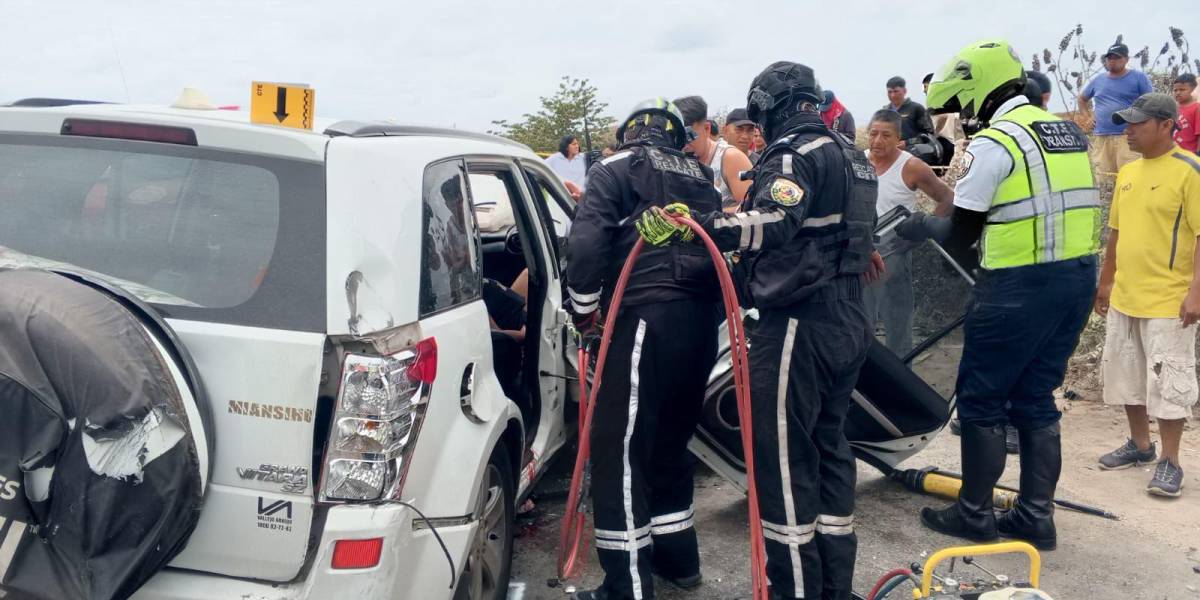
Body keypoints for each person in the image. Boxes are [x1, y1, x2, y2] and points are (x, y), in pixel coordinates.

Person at [641, 61, 882, 599]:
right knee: (830, 451)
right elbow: (850, 236)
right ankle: (831, 588)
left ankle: (795, 590)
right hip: (848, 319)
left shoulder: (796, 152)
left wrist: (699, 227)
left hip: (800, 323)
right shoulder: (852, 154)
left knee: (783, 461)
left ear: (770, 106)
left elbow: (776, 221)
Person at [900, 39, 1101, 552]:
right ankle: (1036, 517)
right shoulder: (1063, 132)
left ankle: (973, 513)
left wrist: (918, 225)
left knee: (983, 401)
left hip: (1017, 287)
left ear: (979, 92)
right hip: (1076, 279)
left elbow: (960, 233)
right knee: (1036, 399)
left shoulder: (997, 142)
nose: (963, 117)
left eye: (964, 105)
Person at [566, 98, 724, 600]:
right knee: (670, 445)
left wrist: (584, 309)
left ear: (631, 131)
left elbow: (586, 242)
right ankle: (679, 562)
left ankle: (627, 586)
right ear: (677, 135)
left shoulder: (614, 165)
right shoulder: (701, 177)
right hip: (698, 325)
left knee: (622, 452)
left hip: (641, 319)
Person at [1095, 93, 1199, 498]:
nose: (1128, 131)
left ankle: (1170, 462)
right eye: (1127, 123)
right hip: (1126, 294)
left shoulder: (1191, 171)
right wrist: (1106, 282)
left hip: (1169, 300)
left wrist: (1195, 293)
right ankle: (1140, 445)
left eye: (1137, 124)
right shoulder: (1128, 172)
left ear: (1165, 124)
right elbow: (1116, 233)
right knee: (1127, 376)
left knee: (1169, 383)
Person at [863, 109, 954, 357]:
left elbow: (947, 197)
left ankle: (901, 380)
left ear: (898, 138)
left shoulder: (911, 166)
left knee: (898, 326)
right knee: (862, 325)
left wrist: (924, 228)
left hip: (895, 251)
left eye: (886, 135)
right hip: (862, 252)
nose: (878, 141)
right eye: (873, 134)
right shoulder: (857, 162)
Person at [1079, 43, 1154, 176]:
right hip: (1102, 138)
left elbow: (1150, 102)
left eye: (1117, 58)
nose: (1112, 61)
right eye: (1110, 58)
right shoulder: (1098, 80)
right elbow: (1082, 99)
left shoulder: (1138, 78)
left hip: (1128, 137)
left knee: (1130, 177)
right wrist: (1088, 117)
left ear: (1126, 59)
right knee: (1104, 178)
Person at [675, 95, 754, 211]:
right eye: (677, 138)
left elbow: (752, 208)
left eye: (689, 137)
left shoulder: (730, 158)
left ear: (707, 129)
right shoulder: (676, 158)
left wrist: (707, 216)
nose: (684, 144)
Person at [883, 76, 937, 150]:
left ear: (904, 91)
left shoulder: (916, 108)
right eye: (890, 92)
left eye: (896, 91)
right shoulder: (885, 112)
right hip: (890, 151)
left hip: (913, 152)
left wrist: (908, 143)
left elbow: (929, 134)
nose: (893, 95)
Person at [1173, 73, 1199, 154]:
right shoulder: (1172, 107)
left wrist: (1197, 155)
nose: (1178, 92)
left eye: (1182, 90)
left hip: (1190, 155)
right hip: (1173, 153)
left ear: (1193, 90)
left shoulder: (1197, 108)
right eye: (1175, 90)